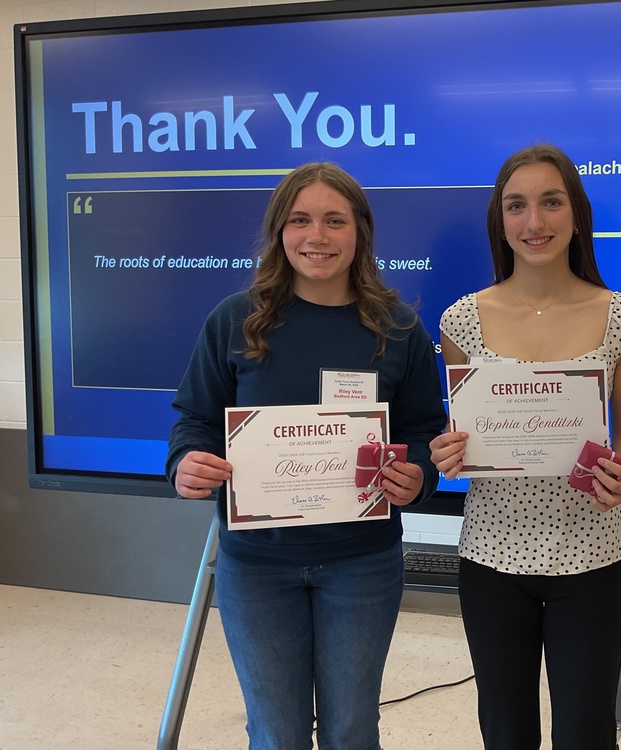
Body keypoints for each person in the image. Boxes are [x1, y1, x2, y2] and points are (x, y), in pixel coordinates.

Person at [166, 162, 446, 750]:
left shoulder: (399, 328)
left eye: (334, 220)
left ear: (360, 231)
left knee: (351, 731)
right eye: (300, 220)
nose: (317, 236)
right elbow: (196, 420)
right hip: (257, 567)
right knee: (276, 733)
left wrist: (418, 475)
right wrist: (186, 461)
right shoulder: (234, 320)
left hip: (362, 563)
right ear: (279, 230)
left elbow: (424, 428)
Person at [429, 144, 621, 750]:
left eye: (551, 203)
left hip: (590, 553)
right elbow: (463, 430)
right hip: (491, 556)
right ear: (500, 221)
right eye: (516, 206)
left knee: (587, 733)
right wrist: (447, 451)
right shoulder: (461, 321)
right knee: (505, 732)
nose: (534, 222)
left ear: (576, 214)